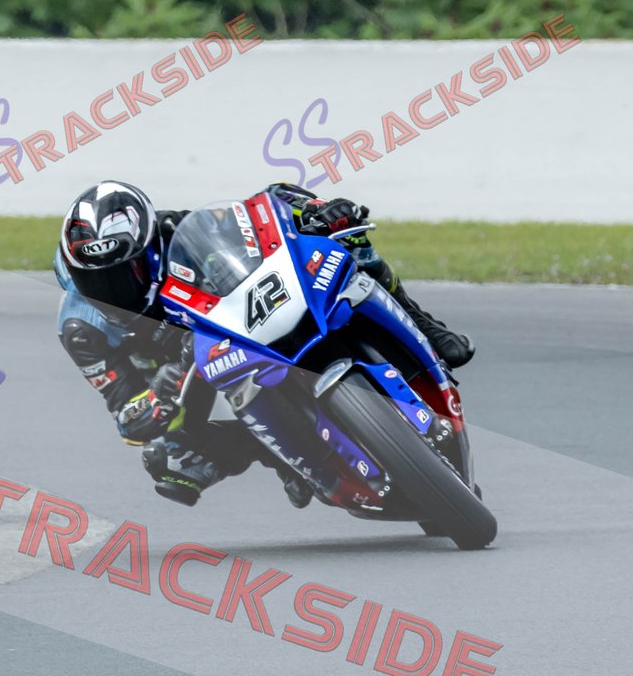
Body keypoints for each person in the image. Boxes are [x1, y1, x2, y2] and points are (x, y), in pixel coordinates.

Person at [54, 180, 474, 506]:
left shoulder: (170, 231)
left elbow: (263, 212)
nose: (111, 290)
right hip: (186, 382)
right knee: (170, 460)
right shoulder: (82, 330)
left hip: (231, 323)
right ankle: (284, 458)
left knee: (348, 239)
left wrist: (315, 210)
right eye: (94, 280)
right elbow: (127, 420)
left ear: (146, 249)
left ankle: (425, 326)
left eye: (122, 273)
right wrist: (156, 396)